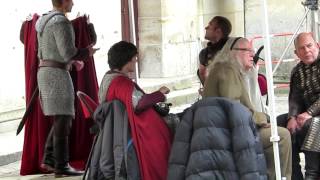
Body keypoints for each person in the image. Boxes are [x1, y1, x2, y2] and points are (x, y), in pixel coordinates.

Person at [202, 37, 292, 180]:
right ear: (232, 52)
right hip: (226, 134)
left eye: (253, 51)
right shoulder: (227, 70)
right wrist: (261, 118)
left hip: (225, 130)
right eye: (247, 51)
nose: (253, 54)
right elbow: (234, 109)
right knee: (282, 135)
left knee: (276, 130)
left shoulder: (227, 69)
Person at [34, 0, 98, 177]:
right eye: (70, 0)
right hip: (57, 74)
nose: (73, 3)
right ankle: (61, 165)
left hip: (46, 71)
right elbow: (68, 52)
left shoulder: (44, 19)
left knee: (61, 117)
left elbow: (41, 50)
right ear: (63, 2)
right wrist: (87, 52)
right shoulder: (61, 21)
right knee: (65, 117)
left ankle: (48, 159)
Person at [98, 41, 172, 180]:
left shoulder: (109, 79)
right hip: (136, 133)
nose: (136, 61)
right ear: (128, 60)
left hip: (124, 130)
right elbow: (138, 103)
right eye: (134, 58)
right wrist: (160, 94)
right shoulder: (120, 83)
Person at [277, 32, 320, 180]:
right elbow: (294, 98)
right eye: (302, 48)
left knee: (312, 123)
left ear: (317, 46)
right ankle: (293, 175)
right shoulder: (297, 71)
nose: (307, 50)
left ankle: (312, 175)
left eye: (309, 46)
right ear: (296, 53)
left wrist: (309, 112)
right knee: (279, 124)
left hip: (313, 116)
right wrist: (292, 117)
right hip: (305, 114)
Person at [198, 16, 231, 85]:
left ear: (218, 31)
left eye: (210, 25)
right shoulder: (204, 53)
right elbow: (202, 73)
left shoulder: (233, 49)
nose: (206, 28)